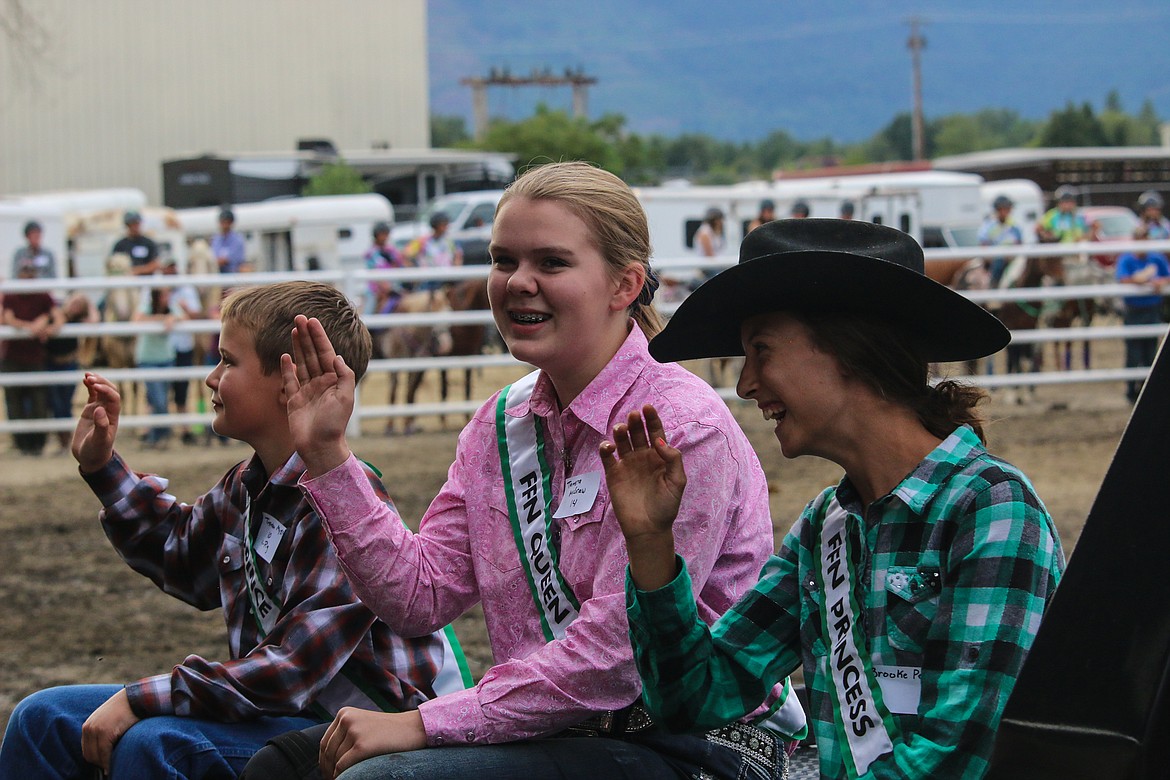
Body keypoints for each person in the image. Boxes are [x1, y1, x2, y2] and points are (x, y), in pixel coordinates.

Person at [248, 161, 805, 780]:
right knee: (280, 768)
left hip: (695, 740)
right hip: (550, 728)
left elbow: (616, 656)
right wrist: (327, 455)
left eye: (551, 263)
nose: (518, 282)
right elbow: (418, 596)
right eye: (503, 260)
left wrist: (427, 723)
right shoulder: (501, 422)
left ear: (625, 285)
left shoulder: (678, 426)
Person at [606, 218, 1066, 779]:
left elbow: (956, 758)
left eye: (762, 350)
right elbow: (694, 695)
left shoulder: (993, 510)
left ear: (850, 348)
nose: (746, 382)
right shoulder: (828, 524)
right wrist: (651, 543)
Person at [0, 281, 459, 779]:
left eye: (226, 361)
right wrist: (103, 468)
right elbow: (183, 555)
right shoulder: (248, 482)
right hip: (287, 716)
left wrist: (142, 698)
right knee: (39, 718)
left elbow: (290, 670)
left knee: (158, 745)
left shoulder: (347, 505)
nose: (211, 378)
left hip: (358, 732)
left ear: (291, 379)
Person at [1, 261, 61, 455]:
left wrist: (49, 328)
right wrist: (33, 327)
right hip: (13, 356)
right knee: (14, 401)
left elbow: (58, 317)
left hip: (35, 357)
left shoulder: (43, 295)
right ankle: (22, 444)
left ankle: (37, 444)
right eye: (25, 271)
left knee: (39, 401)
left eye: (31, 271)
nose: (28, 275)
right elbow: (7, 318)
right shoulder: (11, 294)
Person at [1115, 226, 1170, 403]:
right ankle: (1131, 390)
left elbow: (1167, 276)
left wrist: (1159, 281)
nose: (1143, 243)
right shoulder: (1126, 259)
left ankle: (1146, 391)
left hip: (1152, 308)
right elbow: (1123, 278)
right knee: (1134, 352)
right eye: (1140, 239)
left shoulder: (1156, 258)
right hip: (1133, 310)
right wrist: (1145, 280)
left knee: (1150, 351)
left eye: (1145, 239)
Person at [44, 294, 98, 453]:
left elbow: (94, 321)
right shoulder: (54, 315)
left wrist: (89, 303)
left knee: (65, 403)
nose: (74, 307)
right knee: (55, 403)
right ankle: (62, 439)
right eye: (74, 303)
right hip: (52, 363)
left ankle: (65, 441)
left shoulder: (78, 321)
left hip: (68, 364)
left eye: (79, 305)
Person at [131, 280, 181, 448]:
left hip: (166, 358)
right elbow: (137, 320)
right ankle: (161, 434)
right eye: (165, 294)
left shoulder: (171, 308)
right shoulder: (146, 307)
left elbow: (182, 316)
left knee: (159, 398)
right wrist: (162, 318)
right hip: (148, 359)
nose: (168, 297)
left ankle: (156, 436)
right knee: (158, 399)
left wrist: (172, 317)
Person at [164, 261, 205, 444]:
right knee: (160, 389)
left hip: (182, 344)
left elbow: (196, 314)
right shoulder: (156, 288)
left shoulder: (186, 290)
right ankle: (159, 428)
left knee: (181, 388)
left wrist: (185, 309)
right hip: (163, 347)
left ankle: (185, 429)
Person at [404, 212, 462, 292]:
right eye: (444, 224)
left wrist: (455, 269)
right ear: (436, 225)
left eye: (446, 224)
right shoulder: (423, 241)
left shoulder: (450, 241)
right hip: (428, 280)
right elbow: (406, 254)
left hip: (447, 280)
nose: (446, 227)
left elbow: (458, 257)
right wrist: (414, 271)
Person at [977, 194, 1024, 287]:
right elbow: (983, 244)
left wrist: (1013, 254)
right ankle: (994, 288)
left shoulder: (1014, 226)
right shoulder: (988, 226)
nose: (1008, 211)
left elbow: (1019, 243)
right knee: (999, 263)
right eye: (1006, 208)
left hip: (1012, 258)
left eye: (1009, 209)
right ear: (998, 209)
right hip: (995, 258)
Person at [363, 221, 407, 314]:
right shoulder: (371, 253)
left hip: (393, 286)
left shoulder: (391, 250)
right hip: (376, 288)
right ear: (376, 235)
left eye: (386, 234)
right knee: (369, 308)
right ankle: (367, 324)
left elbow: (400, 264)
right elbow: (372, 270)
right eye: (382, 234)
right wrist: (384, 286)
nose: (385, 237)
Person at [111, 211, 161, 276]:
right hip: (126, 281)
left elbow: (156, 264)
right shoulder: (120, 245)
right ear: (127, 225)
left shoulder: (148, 243)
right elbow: (113, 263)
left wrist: (138, 270)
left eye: (137, 223)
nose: (135, 226)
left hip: (147, 281)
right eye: (132, 224)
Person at [693, 206, 726, 286]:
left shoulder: (714, 232)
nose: (721, 222)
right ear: (714, 220)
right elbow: (709, 254)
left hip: (715, 264)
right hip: (707, 266)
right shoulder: (705, 232)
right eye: (720, 219)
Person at [213, 207, 248, 274]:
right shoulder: (216, 239)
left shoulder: (238, 240)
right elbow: (214, 256)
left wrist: (219, 261)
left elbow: (233, 259)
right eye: (223, 222)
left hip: (234, 275)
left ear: (231, 223)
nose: (225, 225)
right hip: (217, 274)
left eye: (227, 222)